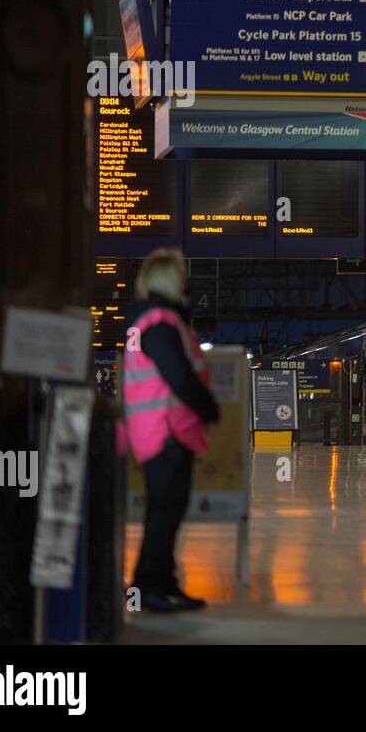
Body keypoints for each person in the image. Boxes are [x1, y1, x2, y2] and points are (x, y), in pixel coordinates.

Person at [123, 248, 219, 612]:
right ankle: (148, 588)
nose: (187, 279)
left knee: (167, 511)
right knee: (164, 511)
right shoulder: (159, 322)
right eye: (181, 272)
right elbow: (177, 375)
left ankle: (163, 584)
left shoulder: (151, 320)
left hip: (162, 431)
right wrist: (207, 407)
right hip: (166, 431)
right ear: (167, 277)